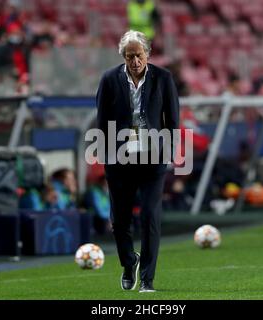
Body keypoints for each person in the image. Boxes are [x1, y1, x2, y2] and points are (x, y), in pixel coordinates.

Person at [96, 30, 179, 292]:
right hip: (120, 158)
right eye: (130, 56)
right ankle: (128, 262)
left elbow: (172, 119)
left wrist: (170, 151)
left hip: (152, 158)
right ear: (123, 56)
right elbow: (102, 120)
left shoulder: (163, 78)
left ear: (147, 54)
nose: (135, 61)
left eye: (139, 55)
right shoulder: (109, 79)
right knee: (119, 220)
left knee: (150, 217)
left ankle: (147, 279)